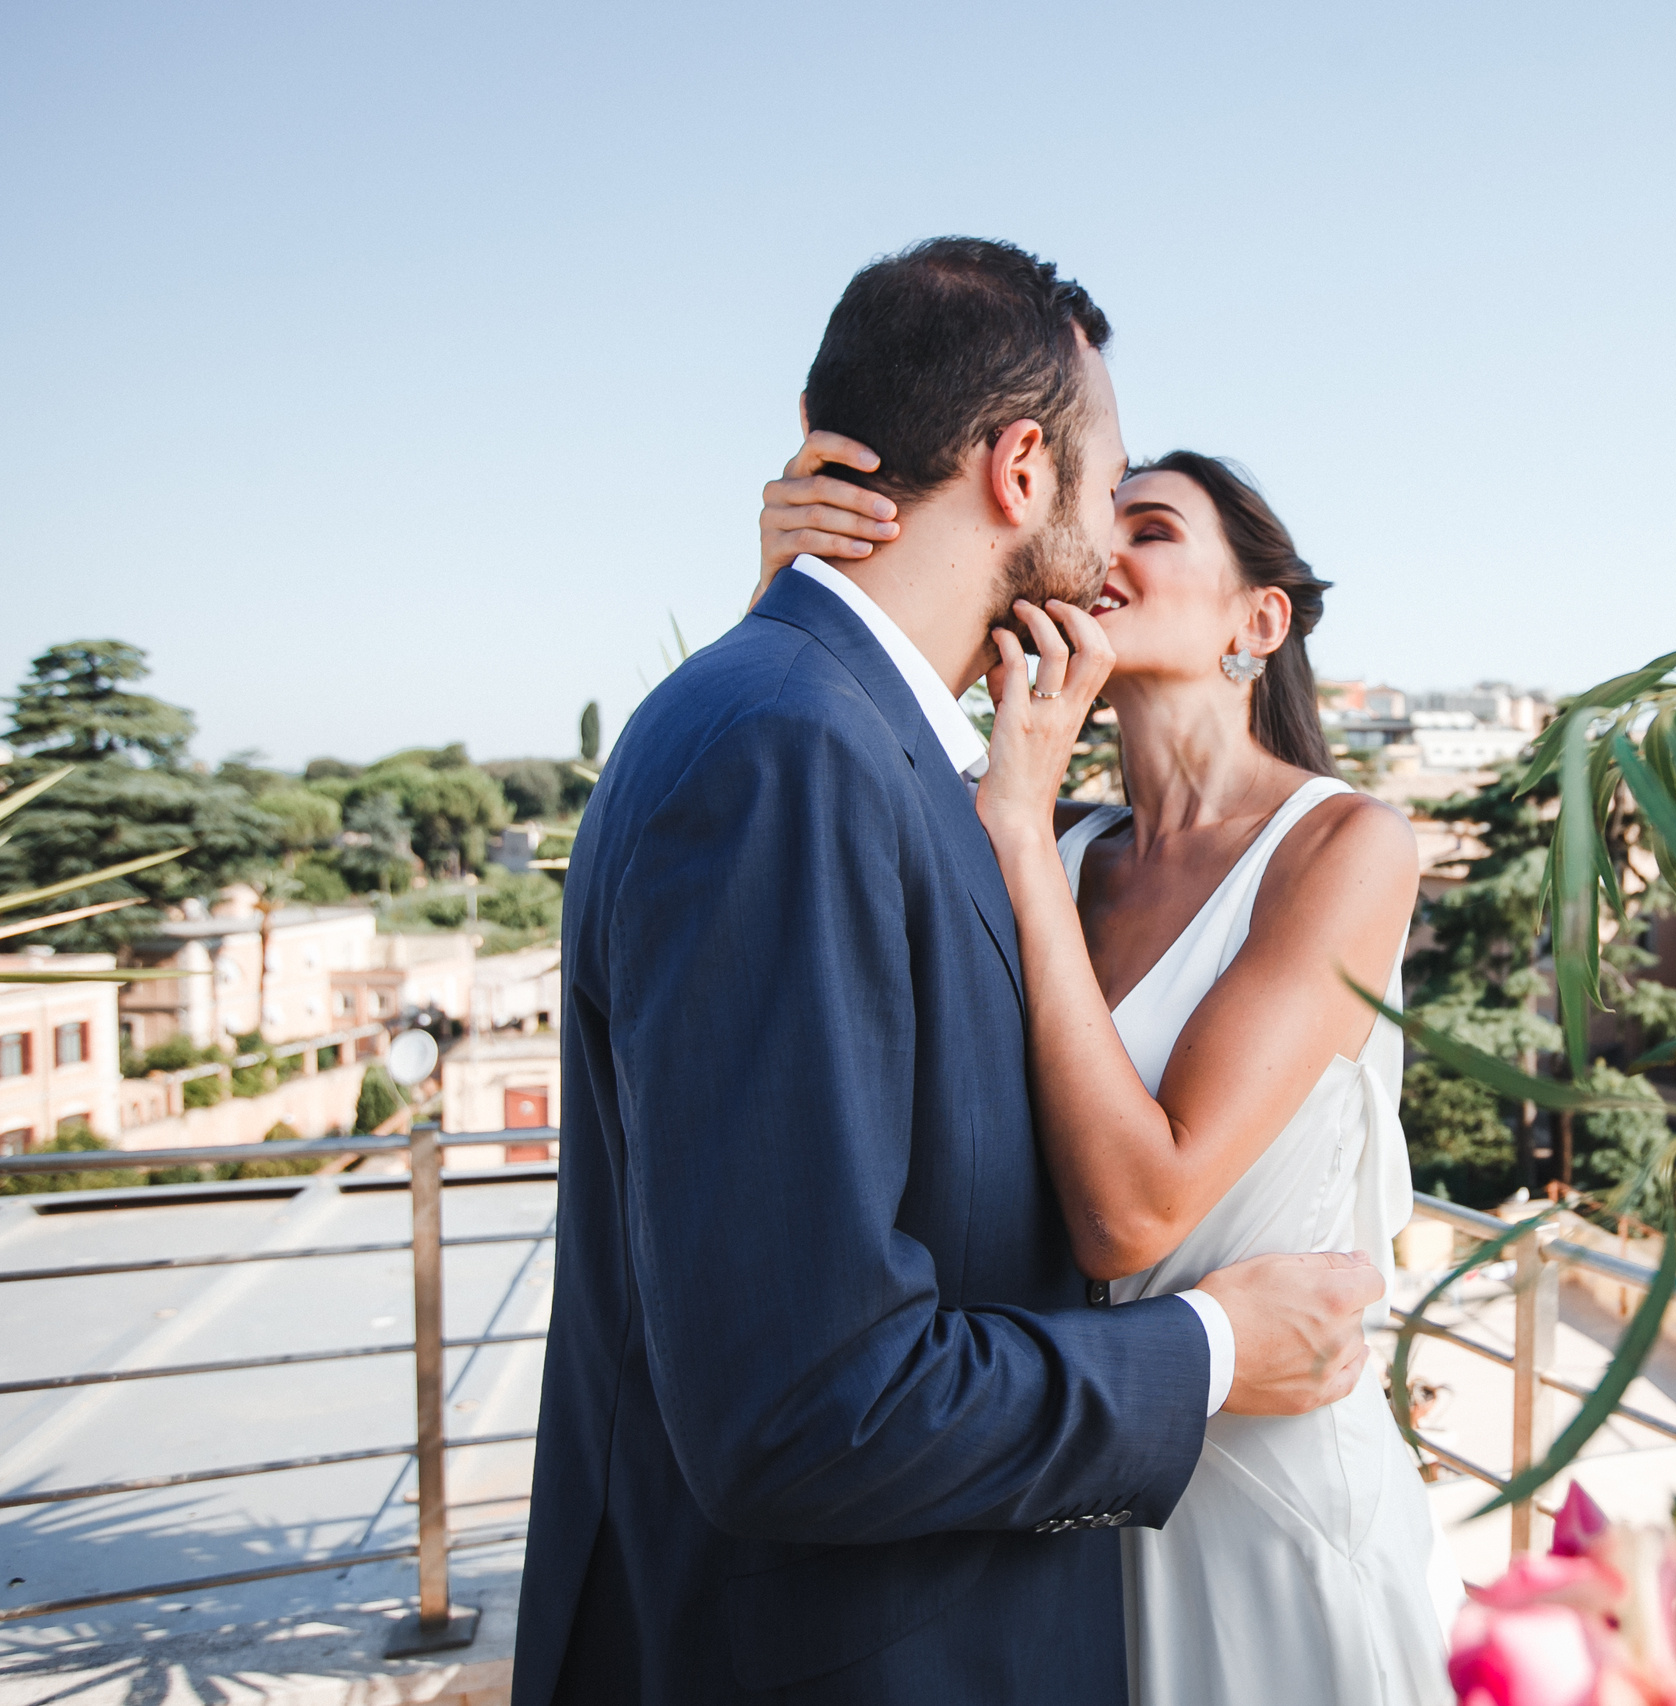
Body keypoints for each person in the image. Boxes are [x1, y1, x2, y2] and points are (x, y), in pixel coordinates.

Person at [516, 237, 1385, 1706]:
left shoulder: (866, 746)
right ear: (1023, 470)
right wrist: (1217, 1343)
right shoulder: (791, 749)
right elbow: (805, 1406)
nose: (1110, 543)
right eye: (1111, 492)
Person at [756, 440, 1462, 1701]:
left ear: (1260, 618)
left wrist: (1020, 828)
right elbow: (816, 819)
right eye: (1102, 522)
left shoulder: (1346, 845)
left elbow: (1135, 1205)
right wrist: (791, 596)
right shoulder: (1043, 832)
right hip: (1066, 1482)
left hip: (1270, 1495)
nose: (1109, 551)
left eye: (1154, 526)